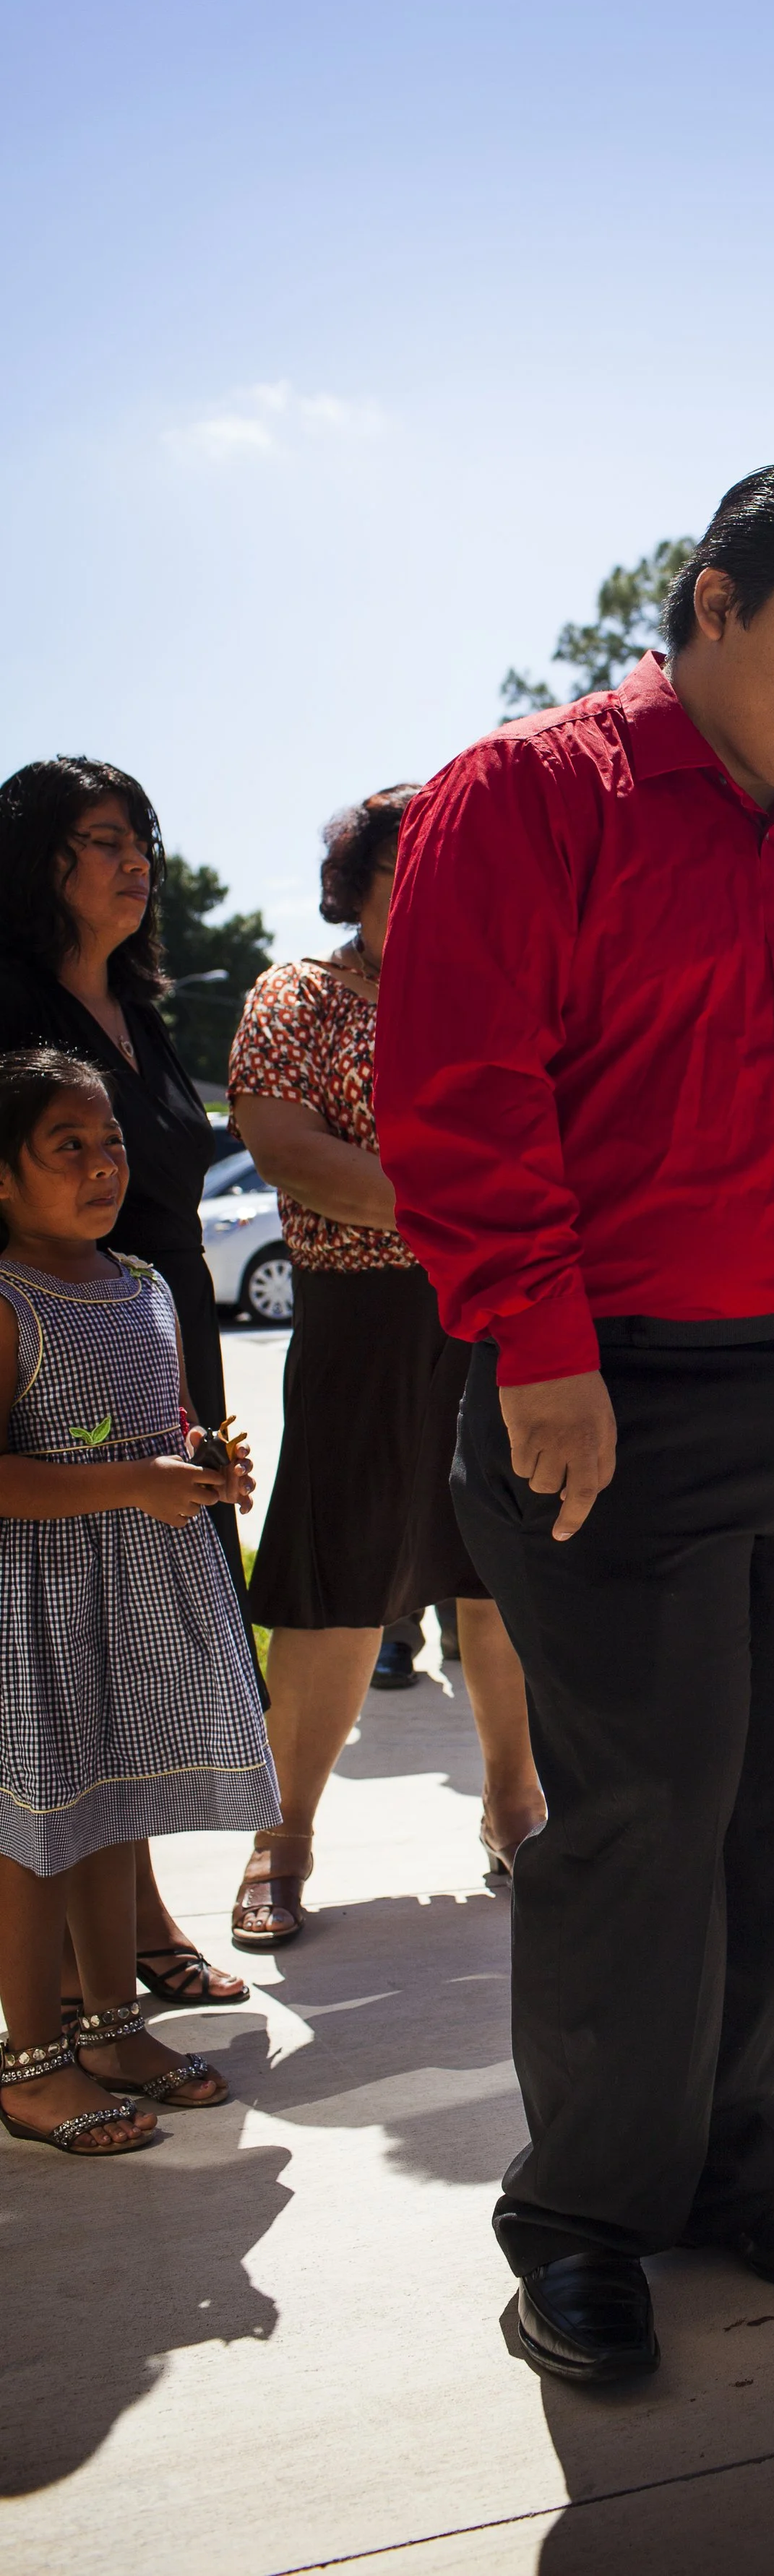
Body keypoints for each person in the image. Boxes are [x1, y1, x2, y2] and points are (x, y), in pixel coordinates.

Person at [376, 460, 774, 2387]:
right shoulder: (531, 796)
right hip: (615, 1390)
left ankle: (741, 2165)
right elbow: (463, 1089)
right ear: (711, 599)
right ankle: (578, 2213)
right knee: (645, 1816)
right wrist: (539, 1339)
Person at [225, 790, 544, 1946]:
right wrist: (461, 1203)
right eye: (415, 861)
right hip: (360, 1316)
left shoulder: (504, 994)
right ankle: (285, 1837)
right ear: (357, 877)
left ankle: (517, 1811)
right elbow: (285, 1145)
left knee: (501, 1573)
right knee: (336, 1586)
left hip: (498, 1311)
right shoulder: (298, 995)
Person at [0, 756, 252, 2012]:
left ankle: (135, 1931)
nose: (136, 860)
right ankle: (77, 1976)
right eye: (105, 839)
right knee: (66, 1663)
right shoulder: (7, 1004)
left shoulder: (141, 1015)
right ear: (43, 860)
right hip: (48, 1354)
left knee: (136, 1654)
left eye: (142, 837)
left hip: (155, 1332)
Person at [0, 1049, 274, 2153]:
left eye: (110, 1141)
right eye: (68, 1146)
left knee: (113, 1810)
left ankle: (113, 2025)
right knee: (35, 1836)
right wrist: (130, 1483)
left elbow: (157, 1426)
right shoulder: (9, 1298)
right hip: (40, 1612)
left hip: (134, 1600)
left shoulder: (149, 1285)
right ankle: (30, 2057)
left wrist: (207, 1463)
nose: (103, 1163)